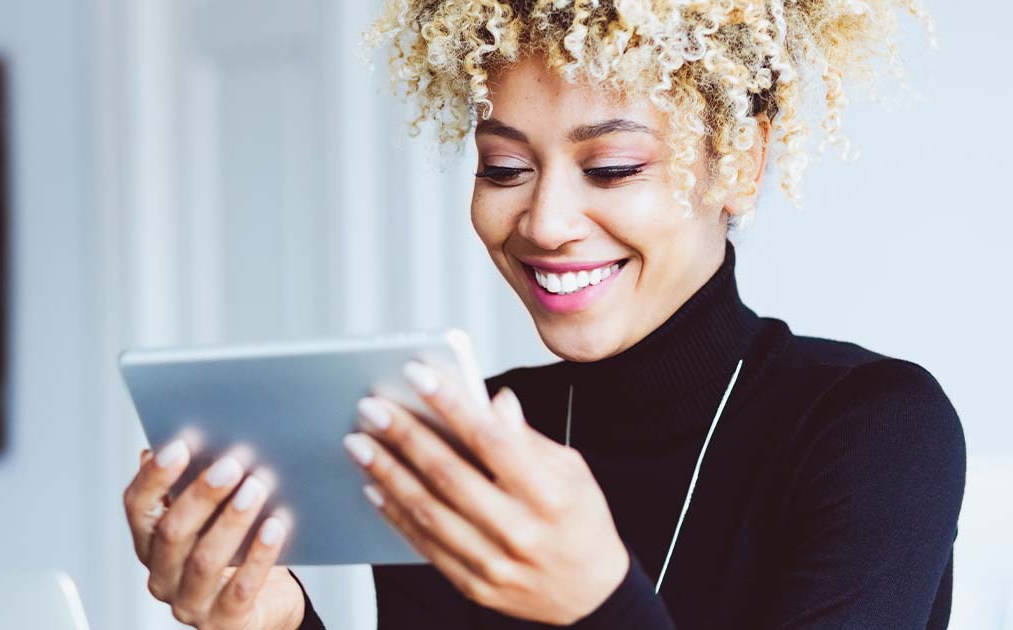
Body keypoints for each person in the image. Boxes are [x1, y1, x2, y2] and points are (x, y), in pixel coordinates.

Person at [121, 0, 965, 628]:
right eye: (503, 168)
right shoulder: (461, 440)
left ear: (738, 163)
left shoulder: (872, 429)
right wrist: (273, 620)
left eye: (612, 168)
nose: (546, 223)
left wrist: (598, 601)